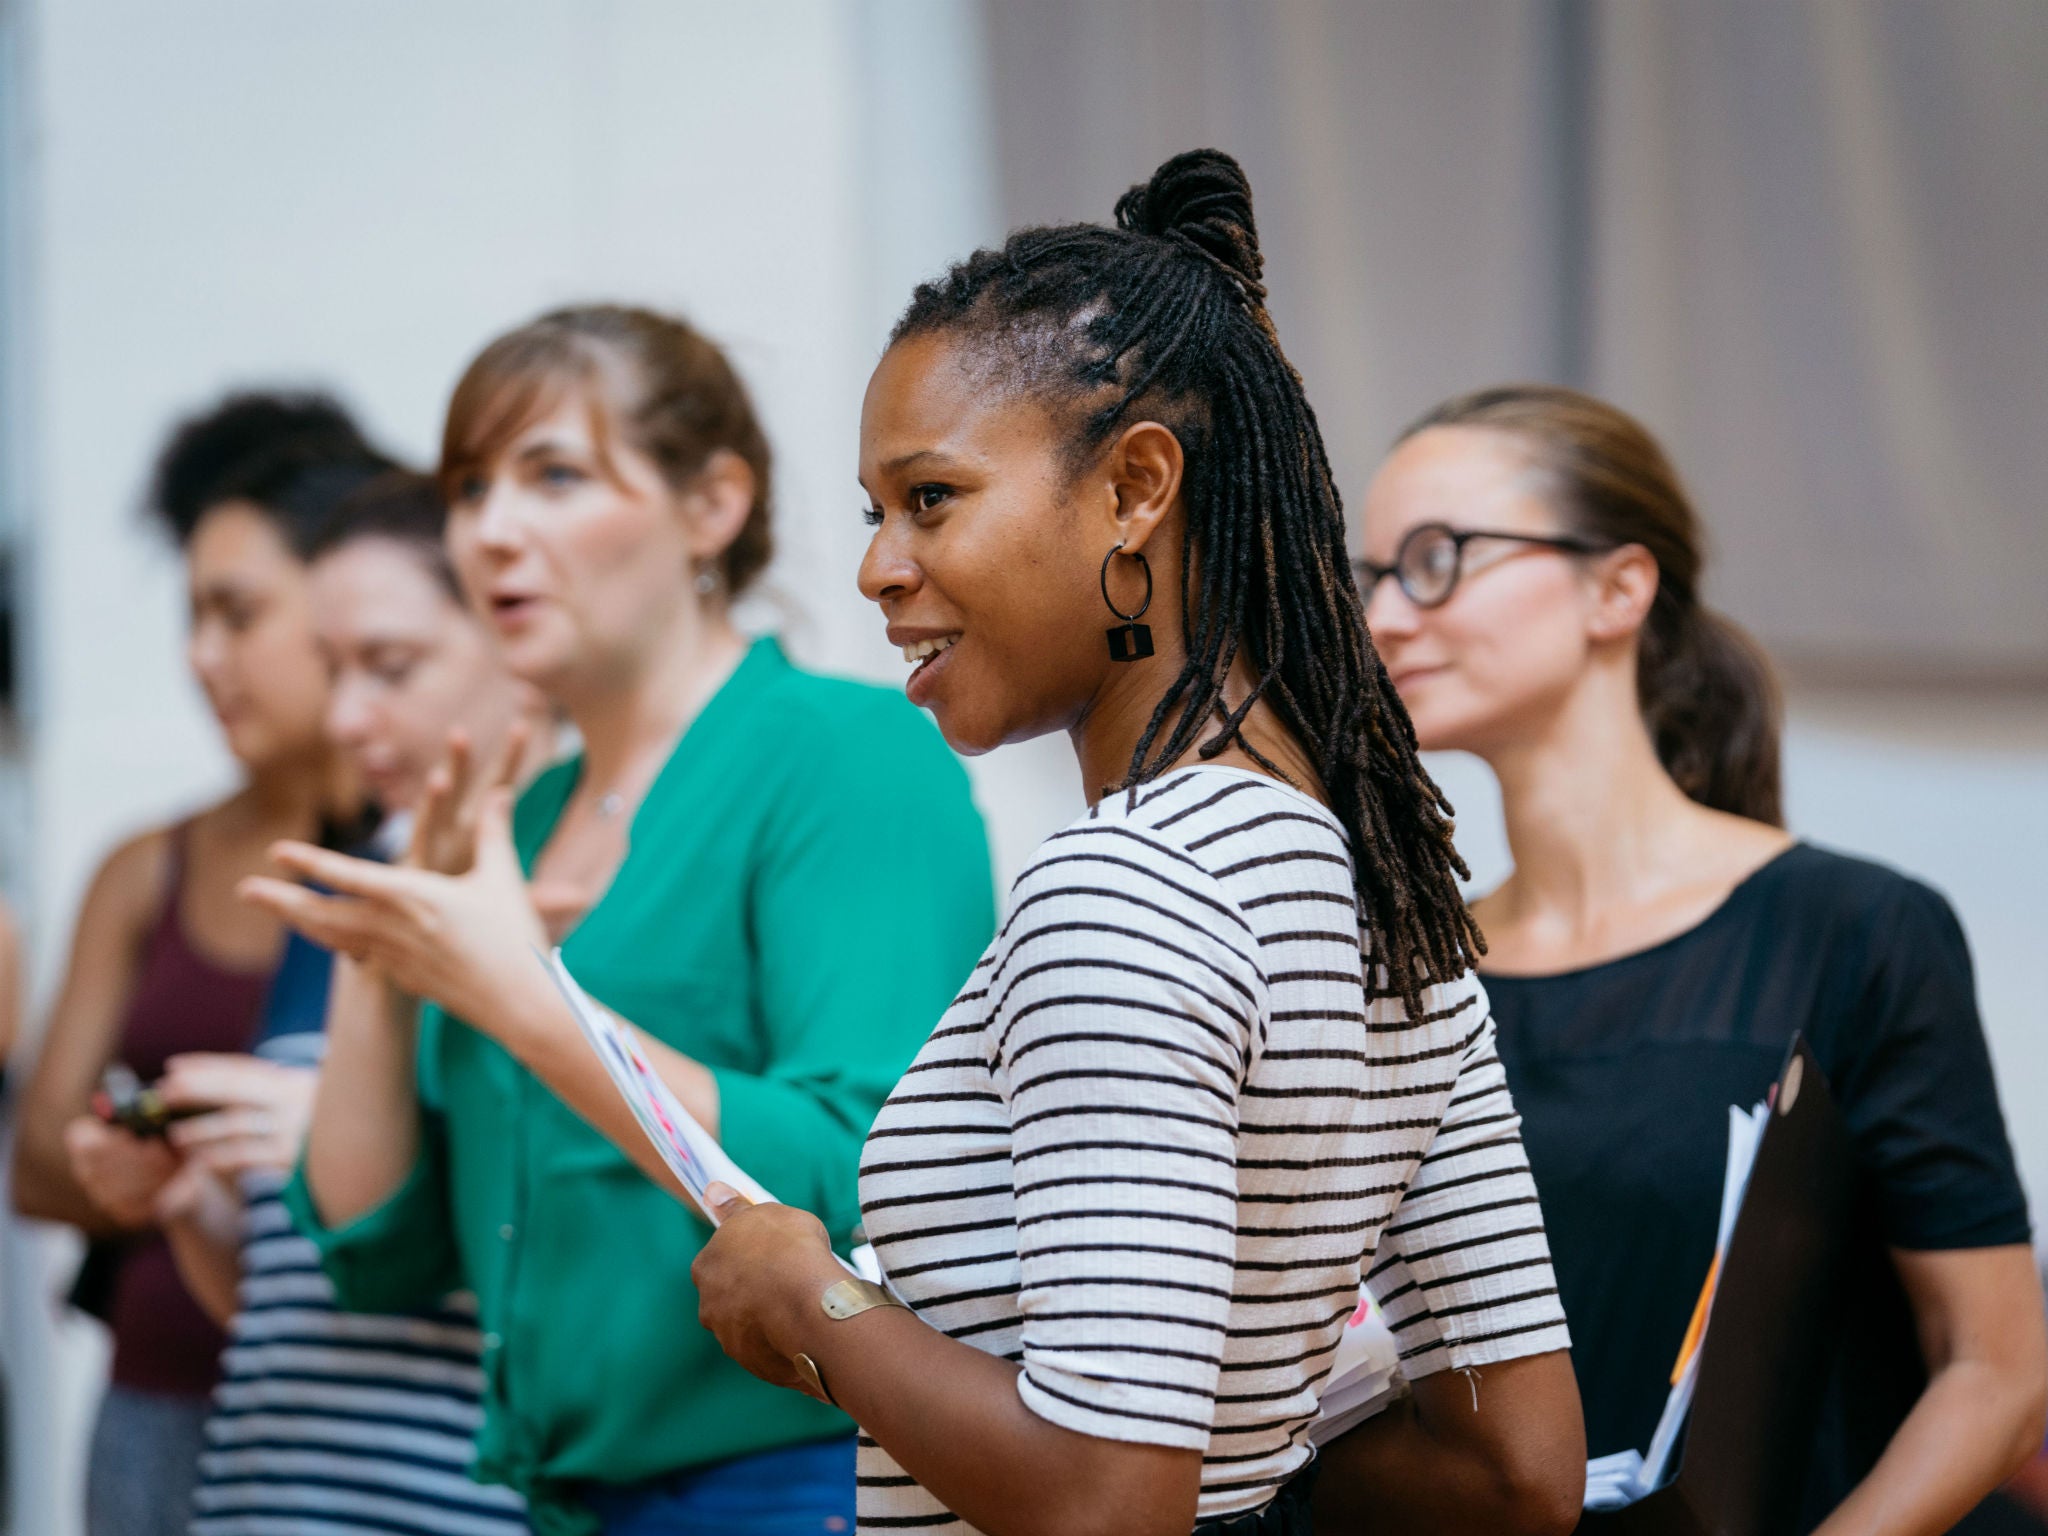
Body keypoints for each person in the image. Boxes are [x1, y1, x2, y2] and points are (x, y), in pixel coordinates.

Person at [677, 150, 1586, 1536]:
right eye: (877, 515)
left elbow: (1106, 1502)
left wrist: (811, 1298)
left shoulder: (1126, 893)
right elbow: (1514, 1470)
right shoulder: (1388, 906)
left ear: (1137, 488)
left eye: (931, 499)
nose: (878, 566)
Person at [245, 305, 996, 1535]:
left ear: (711, 506)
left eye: (552, 476)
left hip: (797, 1490)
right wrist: (380, 965)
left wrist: (513, 993)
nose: (490, 531)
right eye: (470, 486)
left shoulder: (847, 755)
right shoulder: (525, 812)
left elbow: (869, 1182)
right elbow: (380, 1251)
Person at [1355, 383, 2047, 1534]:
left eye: (1434, 559)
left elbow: (1996, 1375)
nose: (1382, 618)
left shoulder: (1855, 930)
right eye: (1368, 578)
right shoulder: (1411, 977)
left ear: (1617, 587)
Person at [11, 393, 382, 1536]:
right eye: (192, 618)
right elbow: (34, 1163)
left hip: (359, 1418)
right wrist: (147, 1168)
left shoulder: (432, 856)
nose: (202, 657)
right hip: (156, 1404)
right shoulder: (145, 867)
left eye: (237, 614)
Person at [151, 469, 545, 1535]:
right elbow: (294, 1299)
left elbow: (590, 1256)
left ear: (520, 638)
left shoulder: (570, 887)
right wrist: (202, 1205)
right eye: (331, 670)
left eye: (392, 666)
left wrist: (336, 1141)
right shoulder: (330, 888)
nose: (344, 717)